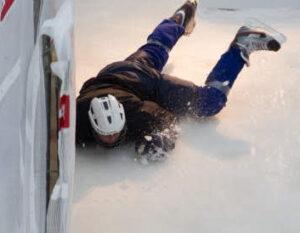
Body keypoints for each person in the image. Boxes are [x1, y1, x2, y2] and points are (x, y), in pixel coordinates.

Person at [76, 0, 282, 163]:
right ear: (92, 125)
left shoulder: (136, 113)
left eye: (114, 133)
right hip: (117, 72)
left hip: (146, 83)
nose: (111, 138)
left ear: (123, 117)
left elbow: (165, 120)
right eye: (105, 135)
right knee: (155, 50)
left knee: (208, 103)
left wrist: (157, 142)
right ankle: (182, 16)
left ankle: (241, 46)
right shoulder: (78, 123)